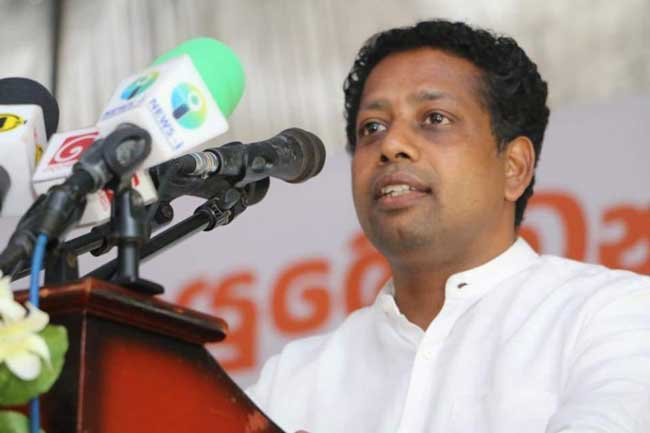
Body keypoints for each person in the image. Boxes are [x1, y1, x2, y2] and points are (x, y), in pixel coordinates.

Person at [246, 19, 650, 433]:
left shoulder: (610, 313)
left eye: (435, 118)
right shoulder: (290, 382)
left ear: (514, 167)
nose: (391, 145)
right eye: (373, 127)